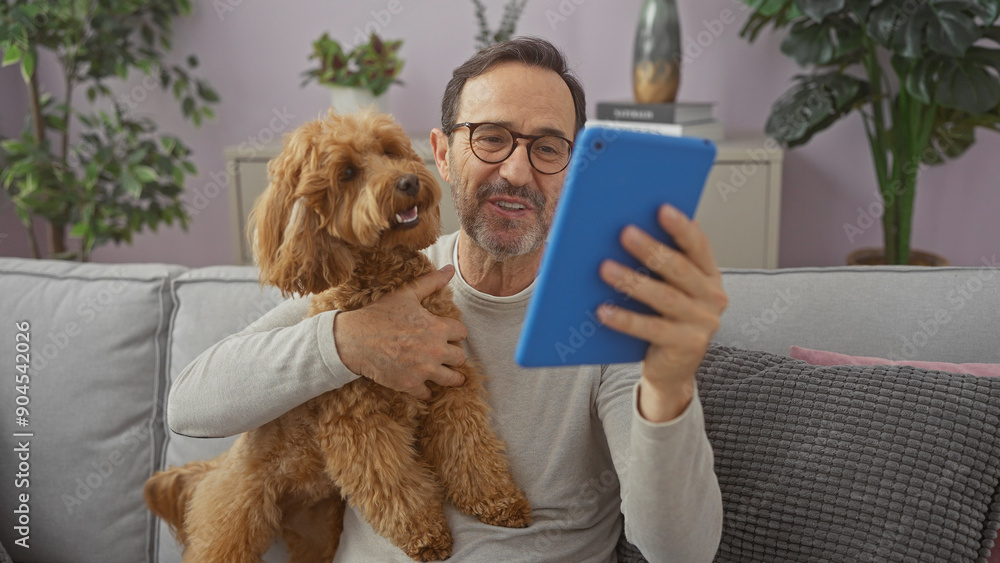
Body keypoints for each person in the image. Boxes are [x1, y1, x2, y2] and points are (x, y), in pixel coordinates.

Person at [169, 37, 726, 562]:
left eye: (548, 147)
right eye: (490, 137)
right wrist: (344, 342)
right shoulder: (375, 276)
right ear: (441, 153)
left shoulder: (610, 308)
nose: (515, 171)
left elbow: (680, 551)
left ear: (574, 168)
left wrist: (670, 383)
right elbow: (190, 404)